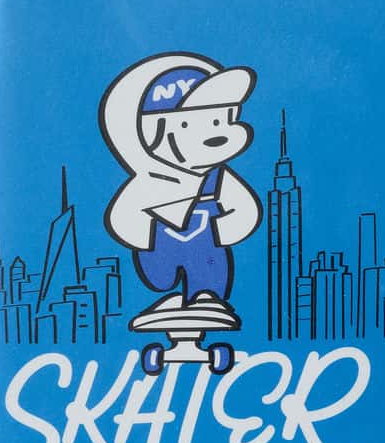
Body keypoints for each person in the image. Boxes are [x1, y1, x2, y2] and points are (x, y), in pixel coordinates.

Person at [99, 52, 262, 318]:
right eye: (188, 124)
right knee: (159, 281)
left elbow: (244, 211)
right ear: (152, 133)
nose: (214, 132)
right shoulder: (146, 182)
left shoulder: (218, 179)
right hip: (159, 245)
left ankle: (207, 298)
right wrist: (145, 236)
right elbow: (123, 217)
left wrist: (222, 230)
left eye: (218, 121)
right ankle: (167, 300)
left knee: (209, 277)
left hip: (207, 243)